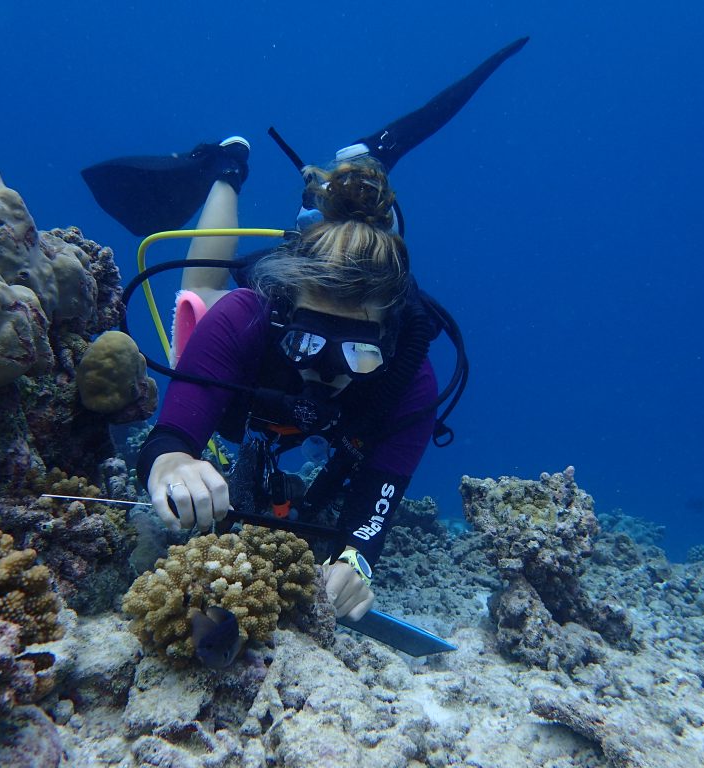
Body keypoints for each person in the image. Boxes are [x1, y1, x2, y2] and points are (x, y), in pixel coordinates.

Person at [124, 38, 529, 623]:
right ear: (284, 316)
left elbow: (375, 509)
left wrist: (358, 561)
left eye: (360, 353)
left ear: (387, 341)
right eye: (309, 342)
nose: (328, 372)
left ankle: (361, 177)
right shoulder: (245, 317)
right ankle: (226, 168)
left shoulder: (409, 375)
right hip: (244, 341)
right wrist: (171, 464)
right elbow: (168, 440)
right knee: (199, 295)